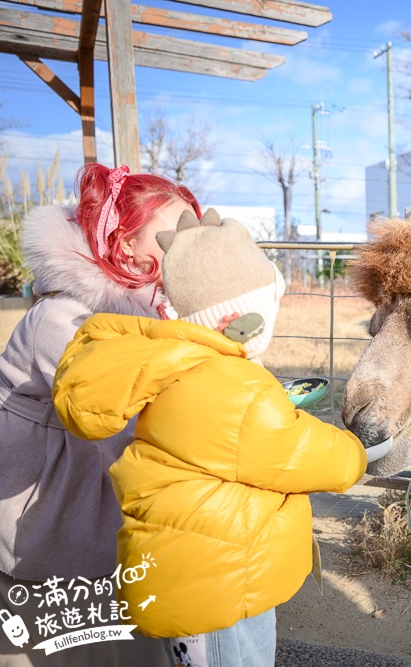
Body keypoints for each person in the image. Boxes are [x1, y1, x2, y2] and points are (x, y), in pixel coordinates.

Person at [51, 208, 367, 667]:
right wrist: (356, 451)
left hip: (205, 566)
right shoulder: (234, 385)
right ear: (241, 320)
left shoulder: (192, 364)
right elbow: (300, 452)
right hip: (211, 585)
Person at [0, 163, 199, 666]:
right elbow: (134, 400)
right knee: (57, 640)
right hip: (40, 508)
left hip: (87, 496)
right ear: (123, 246)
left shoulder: (153, 308)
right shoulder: (64, 318)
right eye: (173, 236)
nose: (189, 247)